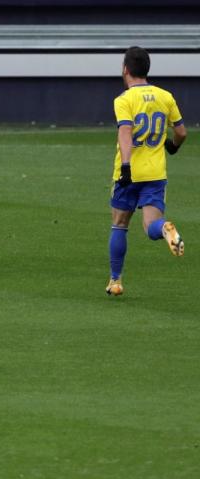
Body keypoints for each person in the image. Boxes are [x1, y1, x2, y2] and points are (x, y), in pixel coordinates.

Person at [106, 46, 187, 296]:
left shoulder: (124, 100)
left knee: (120, 224)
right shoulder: (165, 96)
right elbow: (181, 132)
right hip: (155, 174)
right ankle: (165, 228)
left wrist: (126, 166)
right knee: (151, 225)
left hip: (129, 173)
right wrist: (172, 146)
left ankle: (115, 281)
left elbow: (125, 132)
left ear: (125, 70)